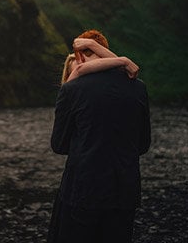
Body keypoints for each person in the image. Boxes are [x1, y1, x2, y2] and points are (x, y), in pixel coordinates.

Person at [48, 29, 151, 243]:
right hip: (124, 192)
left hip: (84, 189)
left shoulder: (72, 89)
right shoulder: (138, 88)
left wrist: (83, 143)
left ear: (79, 56)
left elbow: (58, 145)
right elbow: (143, 144)